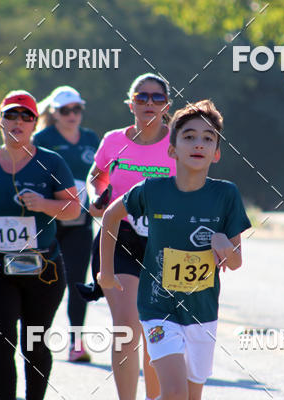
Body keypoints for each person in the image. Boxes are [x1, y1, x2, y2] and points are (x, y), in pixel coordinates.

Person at [99, 99, 251, 400]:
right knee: (174, 393)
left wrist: (225, 245)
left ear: (216, 153)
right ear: (172, 150)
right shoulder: (153, 189)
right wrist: (106, 271)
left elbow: (235, 263)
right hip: (158, 309)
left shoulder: (226, 194)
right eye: (189, 137)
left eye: (208, 138)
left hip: (202, 313)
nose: (199, 144)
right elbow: (110, 216)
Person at [82, 73, 177, 400]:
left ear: (167, 105)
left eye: (157, 97)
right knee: (126, 327)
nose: (149, 103)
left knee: (155, 329)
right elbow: (96, 176)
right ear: (130, 104)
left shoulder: (179, 142)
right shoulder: (113, 140)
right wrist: (97, 195)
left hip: (164, 241)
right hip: (118, 236)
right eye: (142, 97)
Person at [0, 90, 80, 400]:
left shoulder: (51, 161)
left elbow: (74, 209)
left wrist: (43, 204)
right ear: (0, 120)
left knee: (34, 343)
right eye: (11, 115)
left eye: (26, 116)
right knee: (1, 343)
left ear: (35, 123)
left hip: (43, 269)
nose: (18, 121)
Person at [33, 86, 99, 362]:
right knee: (41, 283)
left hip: (80, 222)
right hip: (47, 221)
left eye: (76, 109)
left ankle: (76, 343)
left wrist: (99, 198)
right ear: (54, 113)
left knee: (77, 283)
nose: (72, 114)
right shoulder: (41, 138)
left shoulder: (91, 138)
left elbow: (102, 175)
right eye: (65, 110)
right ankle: (36, 340)